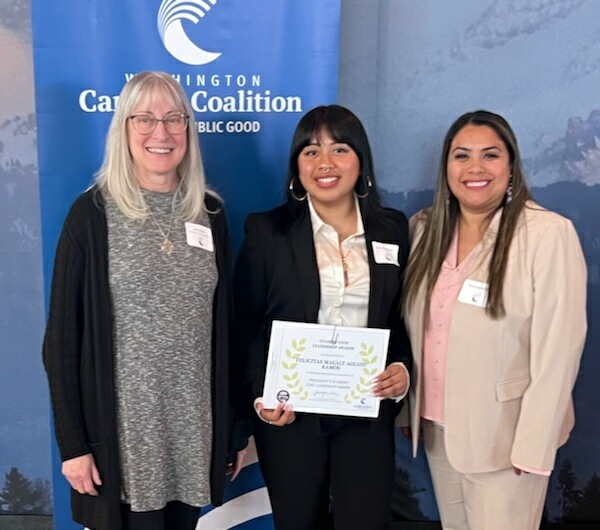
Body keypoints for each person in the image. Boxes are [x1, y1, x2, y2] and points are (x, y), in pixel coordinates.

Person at [42, 71, 247, 530]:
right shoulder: (92, 214)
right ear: (124, 129)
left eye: (174, 118)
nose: (162, 132)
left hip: (193, 434)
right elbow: (60, 341)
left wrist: (233, 428)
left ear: (189, 131)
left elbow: (226, 330)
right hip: (123, 442)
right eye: (145, 119)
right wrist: (74, 445)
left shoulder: (210, 215)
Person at [401, 110, 587, 530]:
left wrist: (534, 446)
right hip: (438, 430)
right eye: (461, 156)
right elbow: (412, 329)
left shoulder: (546, 234)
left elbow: (560, 350)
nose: (475, 169)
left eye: (490, 155)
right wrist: (408, 411)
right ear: (446, 166)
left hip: (508, 440)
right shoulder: (424, 230)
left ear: (511, 164)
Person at [234, 104, 412, 530]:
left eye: (340, 149)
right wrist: (263, 396)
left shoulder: (393, 229)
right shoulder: (267, 232)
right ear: (297, 166)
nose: (325, 163)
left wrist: (404, 371)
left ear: (361, 161)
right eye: (311, 151)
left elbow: (402, 316)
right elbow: (245, 324)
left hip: (367, 412)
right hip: (291, 416)